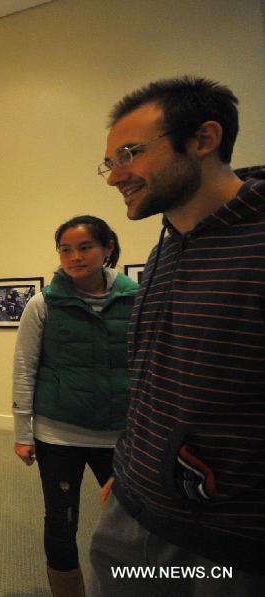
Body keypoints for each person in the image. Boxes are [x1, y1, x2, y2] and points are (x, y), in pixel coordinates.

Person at [88, 76, 265, 595]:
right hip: (134, 508)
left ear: (203, 140)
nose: (114, 176)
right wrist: (133, 464)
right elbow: (156, 380)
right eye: (110, 161)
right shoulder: (169, 246)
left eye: (129, 154)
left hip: (225, 545)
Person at [12, 215, 137, 596]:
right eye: (65, 249)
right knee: (62, 522)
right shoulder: (42, 304)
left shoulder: (137, 299)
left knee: (132, 524)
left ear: (107, 249)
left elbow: (152, 365)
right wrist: (23, 432)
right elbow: (24, 367)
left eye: (84, 247)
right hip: (58, 434)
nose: (74, 257)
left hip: (121, 436)